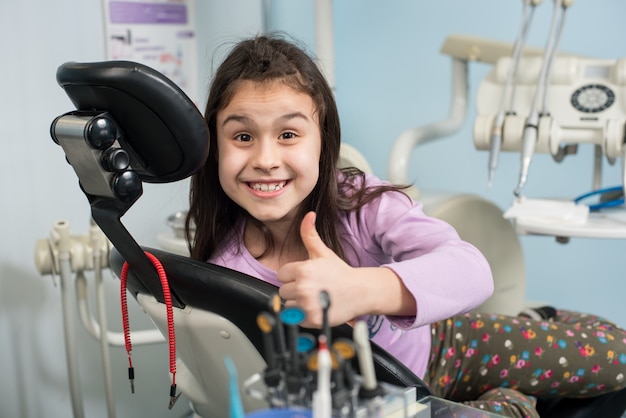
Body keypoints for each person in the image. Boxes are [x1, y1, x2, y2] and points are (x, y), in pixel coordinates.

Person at [185, 34, 626, 417]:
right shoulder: (225, 269)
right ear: (215, 145)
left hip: (447, 346)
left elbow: (472, 269)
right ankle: (512, 397)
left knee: (619, 358)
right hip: (384, 401)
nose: (265, 159)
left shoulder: (363, 204)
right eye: (242, 136)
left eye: (288, 134)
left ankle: (535, 321)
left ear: (323, 144)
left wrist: (364, 289)